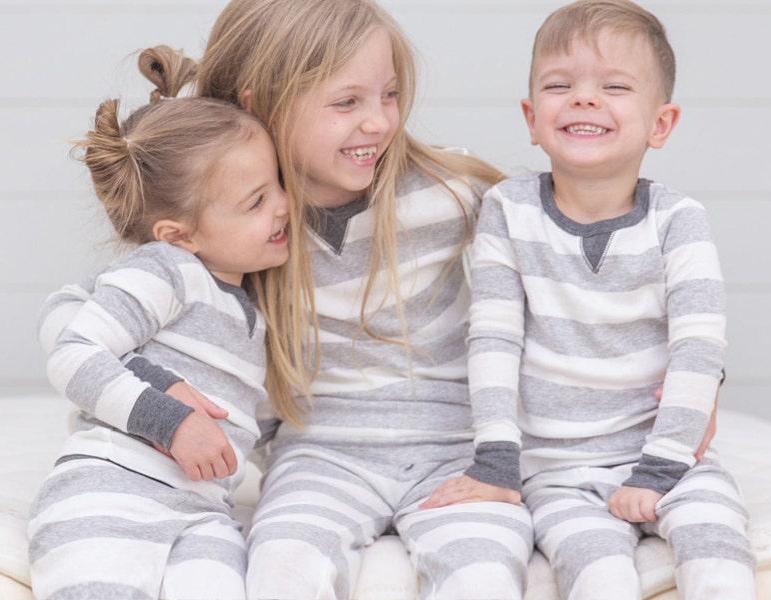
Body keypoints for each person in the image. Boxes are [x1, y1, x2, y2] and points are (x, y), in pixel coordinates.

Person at [192, 0, 535, 597]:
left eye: (389, 95)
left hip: (457, 450)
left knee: (484, 575)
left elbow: (576, 279)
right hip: (320, 455)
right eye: (346, 102)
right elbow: (129, 312)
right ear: (258, 104)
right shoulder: (229, 226)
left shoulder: (450, 194)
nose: (378, 122)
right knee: (282, 567)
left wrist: (697, 379)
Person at [463, 0, 756, 597]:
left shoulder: (679, 221)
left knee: (719, 544)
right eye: (559, 84)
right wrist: (496, 457)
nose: (584, 98)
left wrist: (661, 467)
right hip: (555, 471)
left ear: (660, 124)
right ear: (531, 116)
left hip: (664, 452)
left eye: (615, 86)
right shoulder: (508, 211)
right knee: (595, 569)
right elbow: (493, 337)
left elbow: (698, 350)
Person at [27, 46, 291, 600]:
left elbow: (257, 426)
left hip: (204, 513)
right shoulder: (167, 270)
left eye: (279, 187)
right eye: (256, 201)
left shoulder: (252, 311)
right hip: (110, 491)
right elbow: (75, 352)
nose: (284, 207)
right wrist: (170, 421)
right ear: (178, 234)